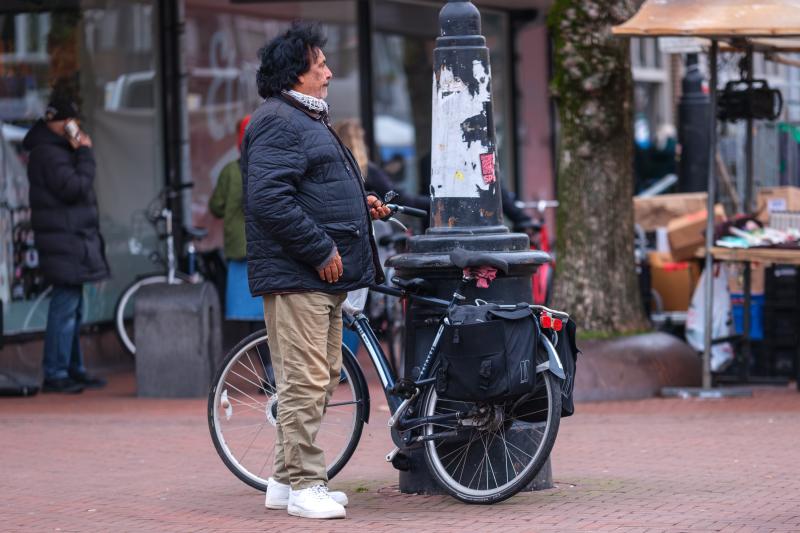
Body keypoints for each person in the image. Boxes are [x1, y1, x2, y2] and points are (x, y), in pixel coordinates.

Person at [242, 22, 389, 520]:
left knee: (321, 378)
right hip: (300, 274)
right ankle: (307, 484)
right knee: (306, 381)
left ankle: (284, 481)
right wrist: (321, 249)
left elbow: (309, 190)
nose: (329, 72)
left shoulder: (304, 118)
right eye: (320, 64)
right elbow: (268, 199)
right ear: (295, 74)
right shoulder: (279, 121)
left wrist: (360, 204)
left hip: (317, 275)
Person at [23, 92, 109, 394]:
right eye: (69, 120)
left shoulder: (56, 148)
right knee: (64, 308)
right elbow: (74, 187)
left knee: (74, 308)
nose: (74, 126)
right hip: (63, 240)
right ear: (57, 121)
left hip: (70, 238)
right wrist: (84, 153)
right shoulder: (48, 153)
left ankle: (73, 368)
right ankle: (56, 372)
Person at [208, 115, 263, 323]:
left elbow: (216, 207)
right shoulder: (269, 168)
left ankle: (246, 341)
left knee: (243, 309)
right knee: (266, 309)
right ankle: (265, 344)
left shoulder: (230, 171)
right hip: (265, 247)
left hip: (238, 247)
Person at [332, 118, 429, 211]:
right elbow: (394, 197)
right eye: (362, 138)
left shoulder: (332, 169)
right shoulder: (366, 170)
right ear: (357, 143)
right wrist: (431, 202)